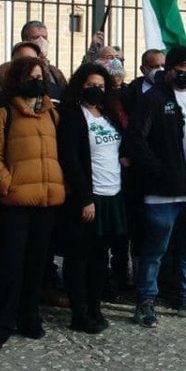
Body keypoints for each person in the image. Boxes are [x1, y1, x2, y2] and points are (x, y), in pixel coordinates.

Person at [124, 46, 186, 328]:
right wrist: (158, 171)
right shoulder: (153, 98)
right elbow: (136, 139)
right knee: (154, 251)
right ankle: (145, 302)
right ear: (170, 69)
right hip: (162, 194)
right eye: (183, 66)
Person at [0, 56, 66, 349]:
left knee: (36, 263)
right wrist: (6, 185)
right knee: (10, 264)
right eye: (30, 77)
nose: (37, 81)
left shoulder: (51, 113)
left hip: (46, 199)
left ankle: (29, 316)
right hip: (15, 200)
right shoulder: (4, 112)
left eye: (40, 76)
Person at [57, 63, 128, 333]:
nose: (96, 90)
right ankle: (79, 312)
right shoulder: (73, 115)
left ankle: (95, 306)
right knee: (79, 257)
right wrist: (84, 197)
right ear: (79, 85)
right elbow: (71, 159)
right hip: (88, 195)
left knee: (100, 257)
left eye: (100, 86)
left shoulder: (107, 114)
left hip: (112, 193)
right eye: (90, 85)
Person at [0, 21, 68, 102]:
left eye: (44, 37)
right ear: (25, 40)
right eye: (35, 37)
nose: (41, 41)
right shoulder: (4, 71)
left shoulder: (55, 72)